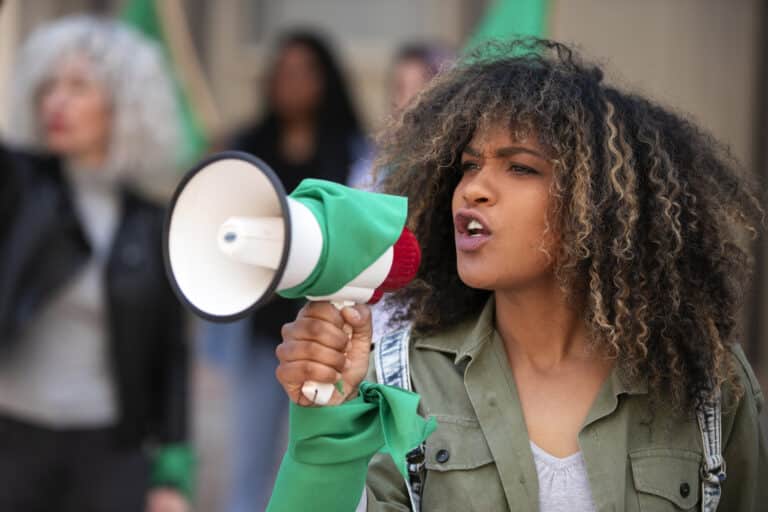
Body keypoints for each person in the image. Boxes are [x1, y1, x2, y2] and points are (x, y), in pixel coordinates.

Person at [274, 39, 768, 510]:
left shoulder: (708, 385)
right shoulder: (401, 378)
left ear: (600, 205)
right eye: (469, 166)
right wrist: (326, 429)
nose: (474, 189)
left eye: (521, 168)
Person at [0, 16, 191, 512]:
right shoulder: (19, 187)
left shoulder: (151, 223)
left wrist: (172, 477)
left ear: (122, 104)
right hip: (13, 442)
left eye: (78, 86)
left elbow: (169, 354)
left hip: (110, 452)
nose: (56, 102)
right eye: (48, 87)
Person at [202, 29, 366, 512]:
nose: (290, 81)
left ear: (325, 80)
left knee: (313, 461)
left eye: (303, 72)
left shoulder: (355, 155)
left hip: (328, 337)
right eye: (283, 70)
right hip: (260, 333)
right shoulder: (243, 149)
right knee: (247, 463)